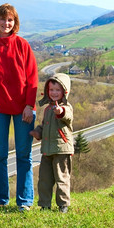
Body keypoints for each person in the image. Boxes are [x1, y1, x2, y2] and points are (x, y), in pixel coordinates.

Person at [0, 3, 38, 212]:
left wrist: (30, 105)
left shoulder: (22, 45)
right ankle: (1, 199)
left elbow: (32, 78)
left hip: (23, 108)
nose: (6, 23)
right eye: (2, 19)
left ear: (15, 22)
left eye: (10, 20)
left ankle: (25, 201)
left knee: (23, 154)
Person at [30, 73, 74, 213]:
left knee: (61, 178)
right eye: (51, 90)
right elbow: (45, 126)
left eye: (57, 90)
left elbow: (66, 115)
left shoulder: (66, 107)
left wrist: (60, 111)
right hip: (47, 150)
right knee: (44, 179)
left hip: (61, 150)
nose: (54, 93)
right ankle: (44, 204)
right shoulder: (48, 109)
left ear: (64, 91)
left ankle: (63, 205)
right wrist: (37, 132)